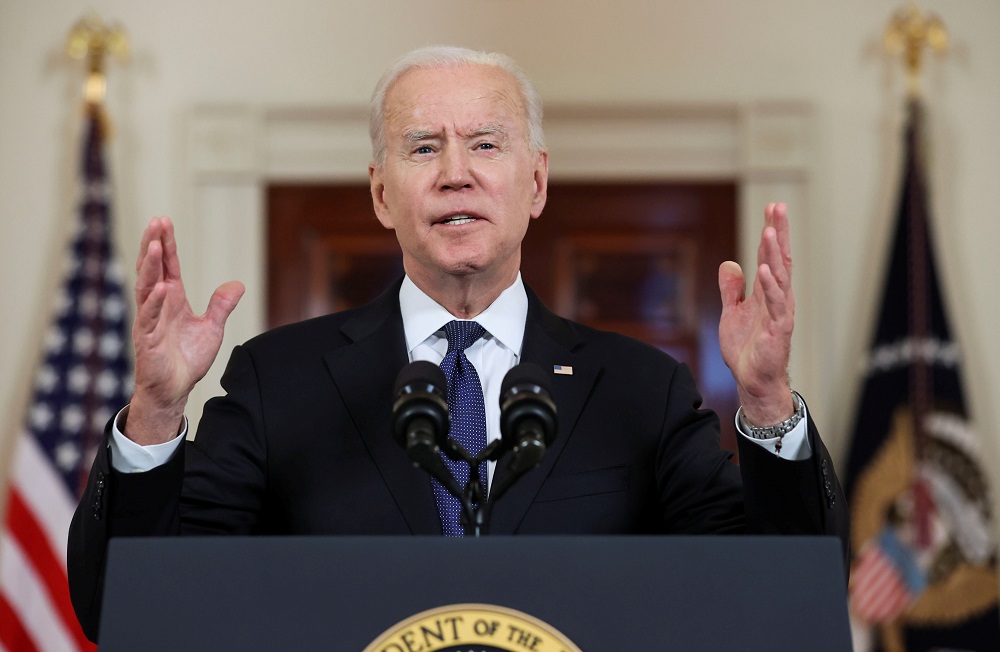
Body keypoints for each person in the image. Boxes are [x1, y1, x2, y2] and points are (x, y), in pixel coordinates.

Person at [68, 46, 848, 642]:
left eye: (484, 144)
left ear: (535, 184)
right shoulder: (281, 379)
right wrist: (155, 414)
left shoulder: (641, 389)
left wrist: (768, 405)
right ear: (381, 193)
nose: (454, 174)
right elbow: (126, 610)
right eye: (421, 148)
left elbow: (781, 603)